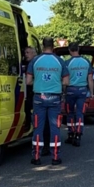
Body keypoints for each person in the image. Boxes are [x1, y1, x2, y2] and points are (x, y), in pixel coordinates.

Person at [26, 37, 69, 166]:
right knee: (55, 127)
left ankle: (36, 156)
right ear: (53, 46)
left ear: (42, 45)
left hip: (39, 98)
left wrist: (38, 82)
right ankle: (55, 157)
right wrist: (55, 83)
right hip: (55, 98)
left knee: (38, 128)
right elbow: (66, 81)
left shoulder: (35, 60)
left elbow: (28, 81)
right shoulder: (60, 61)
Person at [22, 45, 51, 155]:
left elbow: (30, 81)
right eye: (25, 53)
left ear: (34, 53)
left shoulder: (36, 63)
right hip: (31, 95)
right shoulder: (28, 64)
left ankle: (44, 146)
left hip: (39, 95)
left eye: (28, 52)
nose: (26, 55)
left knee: (42, 122)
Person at [65, 43, 94, 146]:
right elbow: (90, 79)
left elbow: (65, 80)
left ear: (69, 50)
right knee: (80, 113)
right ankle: (78, 134)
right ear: (78, 49)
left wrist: (63, 92)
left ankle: (71, 134)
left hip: (70, 90)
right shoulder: (86, 62)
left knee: (70, 113)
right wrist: (91, 93)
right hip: (82, 90)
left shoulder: (67, 63)